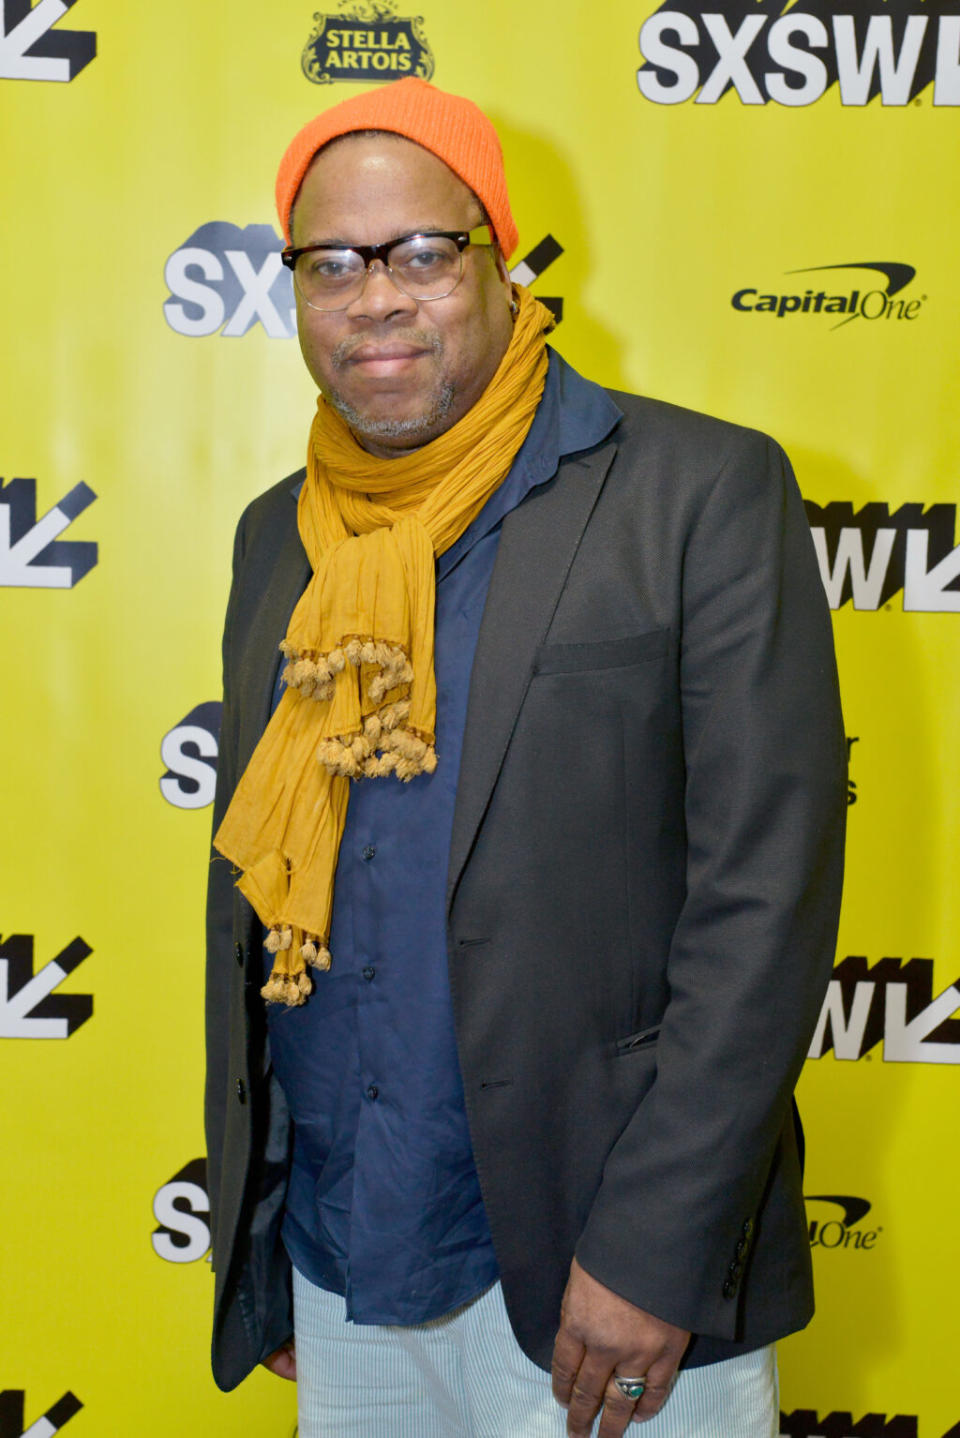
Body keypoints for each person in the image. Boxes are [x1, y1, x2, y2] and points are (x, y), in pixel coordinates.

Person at [205, 77, 846, 1438]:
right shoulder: (279, 535)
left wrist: (651, 1252)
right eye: (332, 263)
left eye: (424, 252)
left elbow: (765, 902)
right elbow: (268, 917)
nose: (377, 296)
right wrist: (274, 1241)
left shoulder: (699, 491)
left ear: (503, 265)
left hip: (600, 1283)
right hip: (346, 1251)